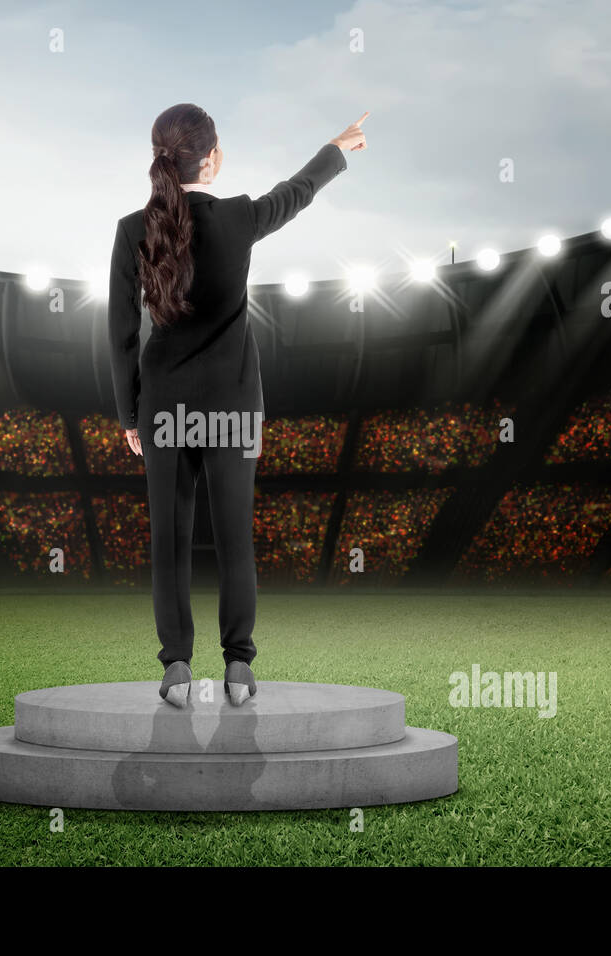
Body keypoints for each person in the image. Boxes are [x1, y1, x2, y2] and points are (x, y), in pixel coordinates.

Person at [108, 104, 367, 707]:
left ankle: (175, 667)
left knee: (168, 543)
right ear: (213, 158)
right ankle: (239, 667)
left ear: (160, 158)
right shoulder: (241, 217)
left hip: (163, 412)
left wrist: (128, 415)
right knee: (234, 540)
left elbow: (119, 332)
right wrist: (335, 149)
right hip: (232, 411)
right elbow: (297, 192)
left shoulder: (130, 230)